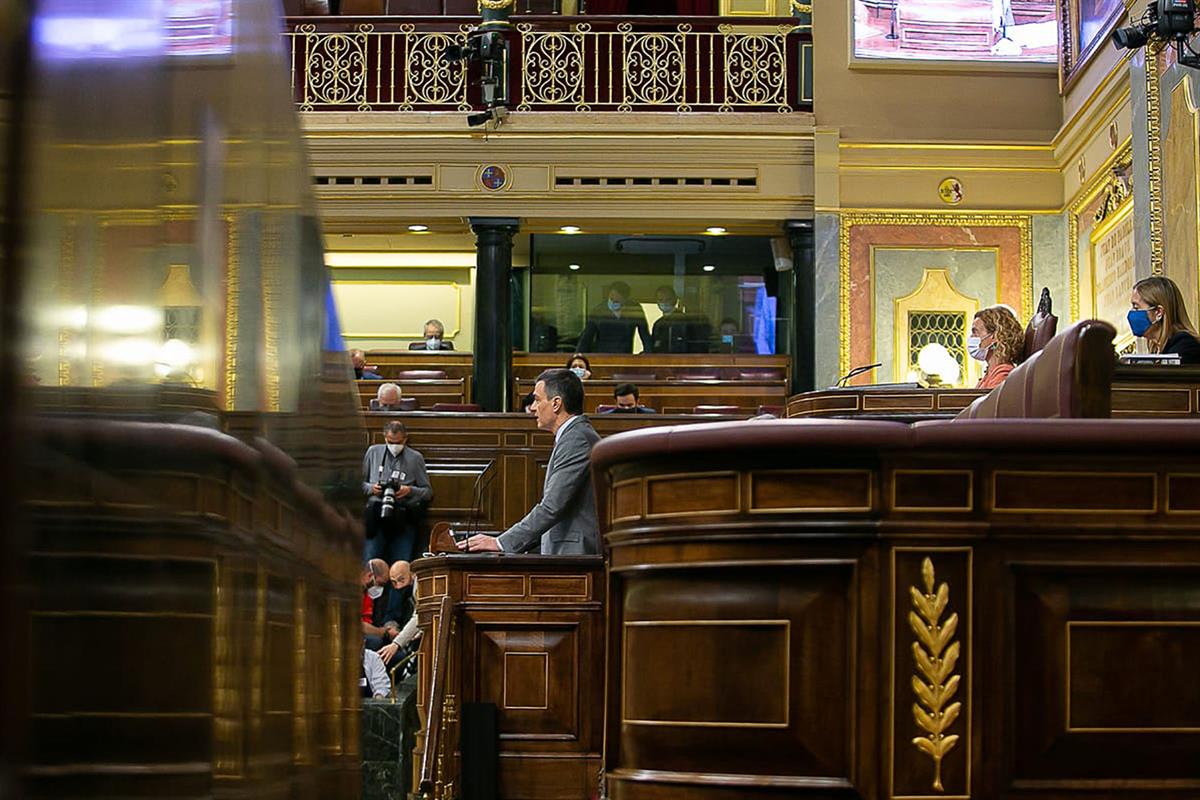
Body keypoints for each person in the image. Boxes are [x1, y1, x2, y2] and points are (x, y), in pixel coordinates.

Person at [460, 369, 600, 555]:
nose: (533, 407)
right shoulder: (575, 435)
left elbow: (552, 506)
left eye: (537, 399)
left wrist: (501, 543)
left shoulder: (577, 439)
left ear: (556, 403)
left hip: (574, 553)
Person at [362, 421, 432, 563]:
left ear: (405, 439)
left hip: (403, 517)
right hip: (375, 517)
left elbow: (428, 492)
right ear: (384, 437)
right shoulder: (373, 452)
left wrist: (409, 490)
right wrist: (371, 488)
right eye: (390, 441)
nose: (394, 446)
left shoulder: (415, 458)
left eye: (398, 442)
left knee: (401, 564)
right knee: (370, 564)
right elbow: (358, 484)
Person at [1128, 276, 1200, 363]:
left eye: (1136, 307)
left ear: (1158, 312)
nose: (1132, 313)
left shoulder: (1185, 347)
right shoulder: (1157, 350)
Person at [578, 281, 650, 353]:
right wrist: (578, 355)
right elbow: (587, 336)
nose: (613, 301)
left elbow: (645, 335)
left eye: (617, 301)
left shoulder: (633, 309)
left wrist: (648, 354)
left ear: (625, 300)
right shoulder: (599, 310)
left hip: (624, 355)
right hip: (602, 355)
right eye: (612, 297)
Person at [970, 304, 1024, 390]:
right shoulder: (990, 372)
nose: (971, 337)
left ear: (995, 337)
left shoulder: (1003, 374)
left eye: (975, 332)